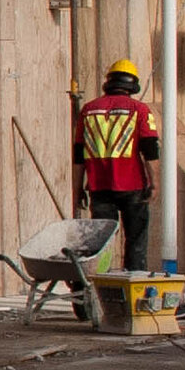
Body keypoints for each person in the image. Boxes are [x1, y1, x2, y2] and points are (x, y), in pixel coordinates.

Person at [74, 60, 161, 271]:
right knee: (136, 242)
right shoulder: (139, 110)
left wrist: (77, 189)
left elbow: (79, 155)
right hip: (133, 187)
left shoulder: (88, 110)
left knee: (101, 245)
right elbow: (150, 150)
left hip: (99, 187)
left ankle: (100, 285)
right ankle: (133, 286)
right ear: (132, 84)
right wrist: (155, 182)